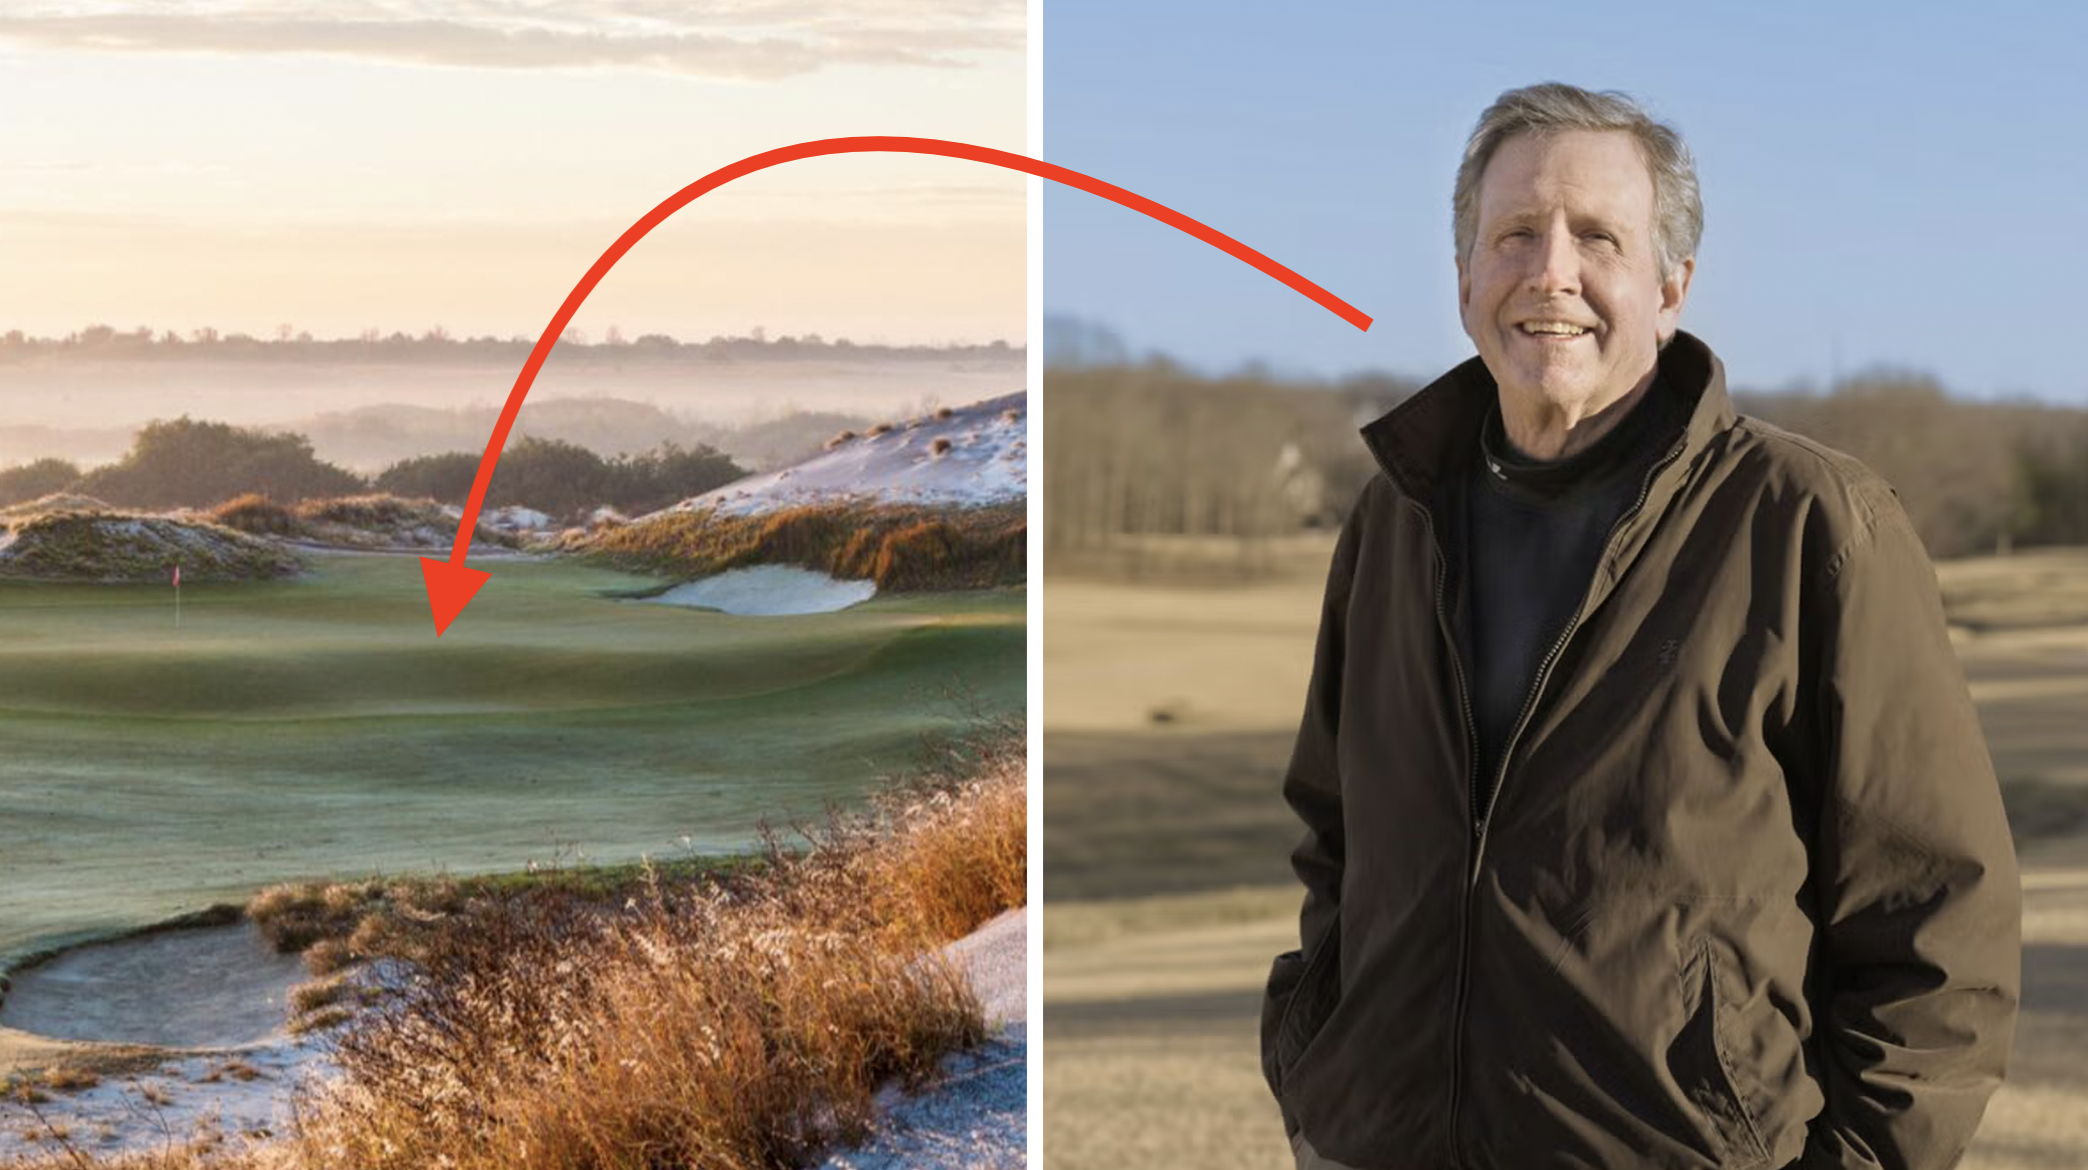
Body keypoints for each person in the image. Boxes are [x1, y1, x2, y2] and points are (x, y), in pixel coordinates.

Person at [1261, 82, 2021, 1170]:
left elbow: (1937, 923)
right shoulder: (1396, 518)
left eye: (1597, 237)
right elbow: (1336, 838)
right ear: (1466, 275)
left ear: (1672, 285)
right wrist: (1316, 1076)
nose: (1550, 272)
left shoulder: (1810, 525)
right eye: (1514, 234)